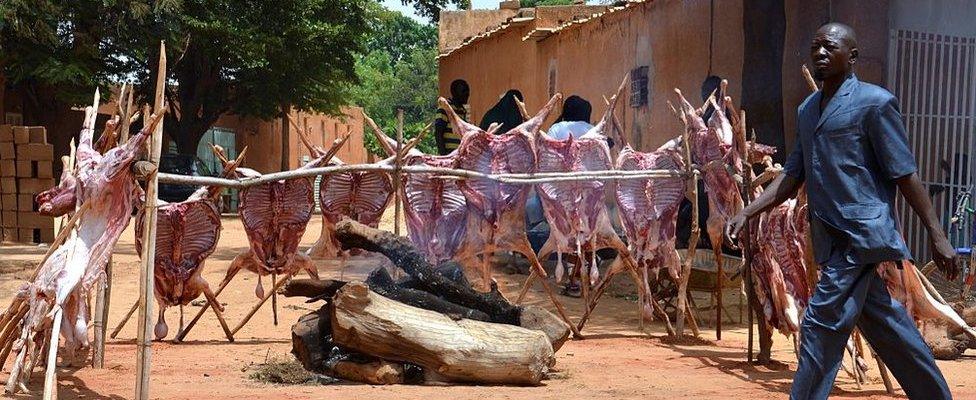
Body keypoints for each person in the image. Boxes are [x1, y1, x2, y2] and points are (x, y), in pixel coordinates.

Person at [725, 23, 958, 400]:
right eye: (815, 46)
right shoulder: (807, 110)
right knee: (884, 323)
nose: (819, 53)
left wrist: (937, 234)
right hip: (831, 237)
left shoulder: (875, 103)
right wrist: (747, 211)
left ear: (851, 57)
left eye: (828, 47)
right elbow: (791, 175)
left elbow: (905, 174)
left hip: (863, 235)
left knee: (819, 324)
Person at [434, 79, 470, 155]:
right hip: (448, 154)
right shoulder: (444, 108)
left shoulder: (462, 111)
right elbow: (438, 132)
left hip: (458, 154)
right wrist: (443, 156)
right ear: (455, 93)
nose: (467, 94)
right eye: (463, 91)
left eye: (467, 91)